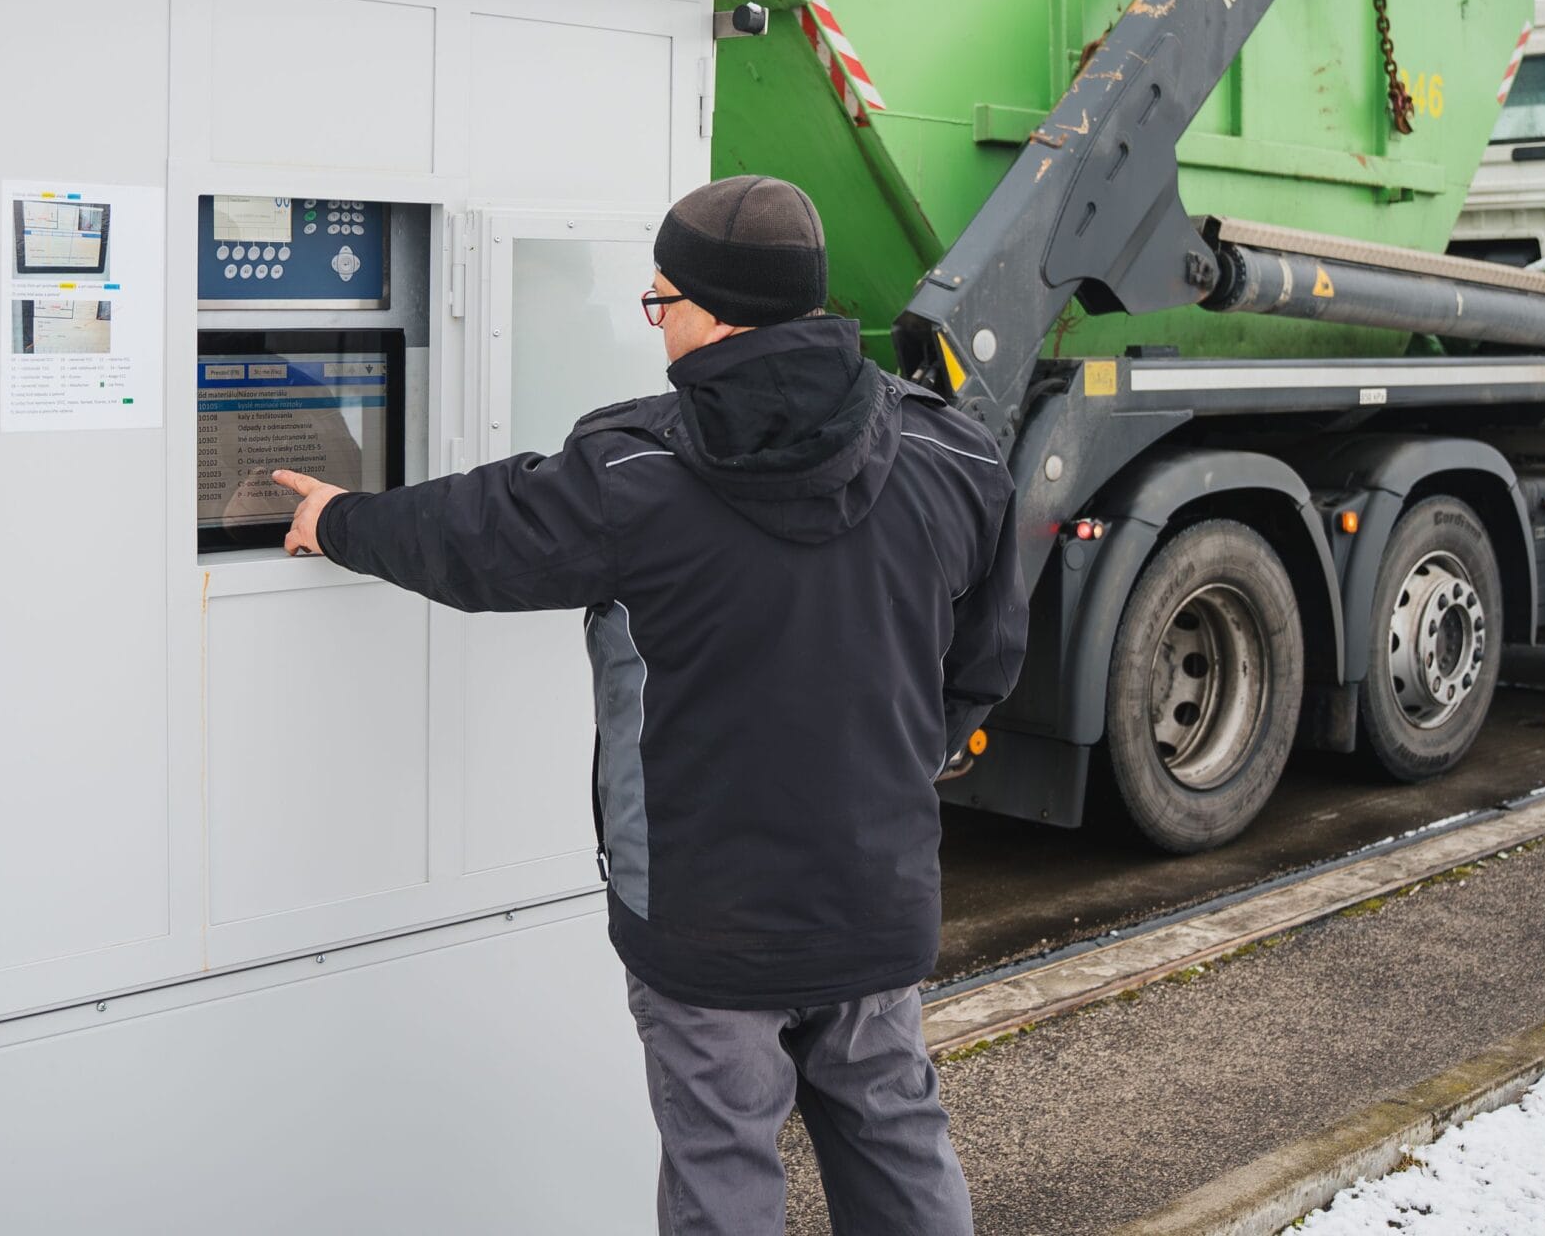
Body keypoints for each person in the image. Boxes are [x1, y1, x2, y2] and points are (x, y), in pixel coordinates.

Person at [272, 174, 1026, 1236]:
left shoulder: (634, 474)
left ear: (711, 310)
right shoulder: (952, 453)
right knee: (897, 1147)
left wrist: (341, 517)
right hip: (875, 896)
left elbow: (476, 536)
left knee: (723, 1171)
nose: (654, 321)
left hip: (703, 920)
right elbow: (983, 665)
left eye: (658, 300)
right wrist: (893, 772)